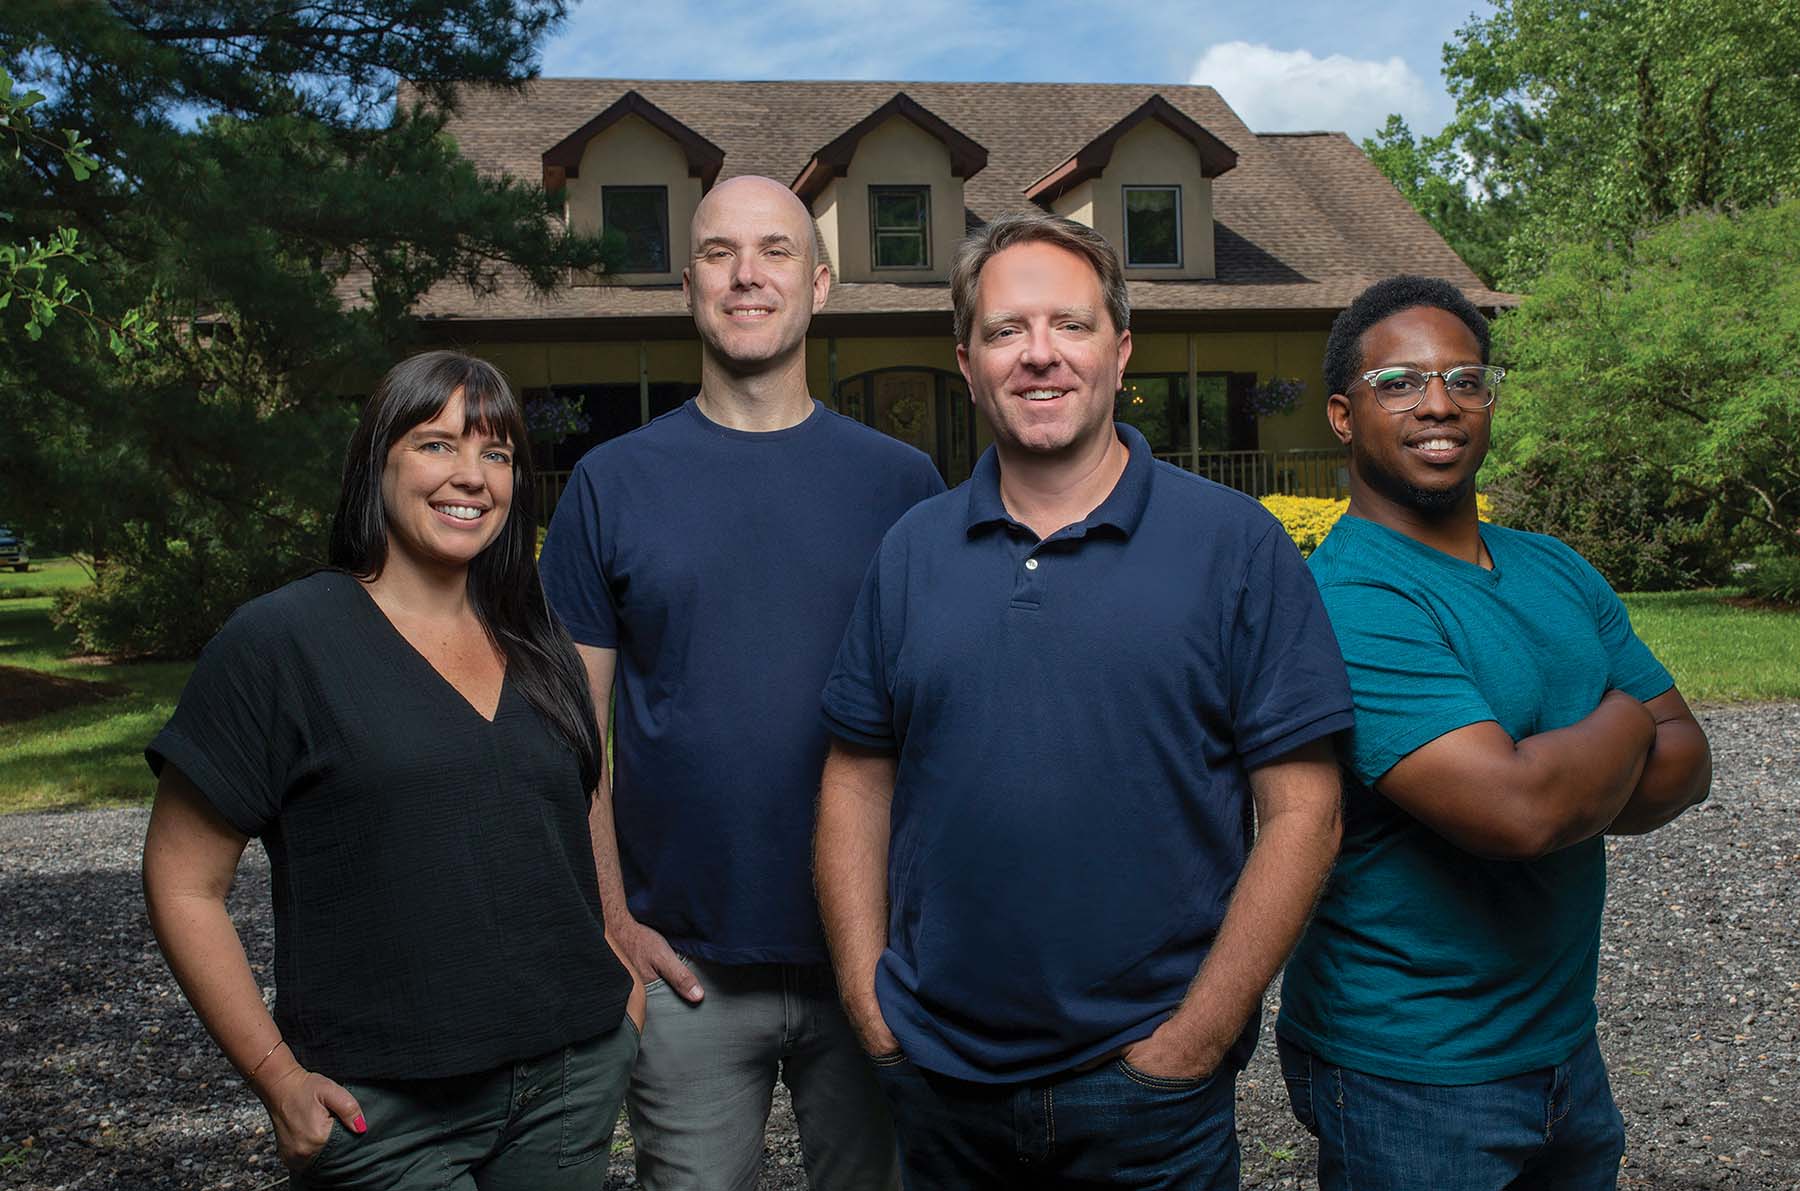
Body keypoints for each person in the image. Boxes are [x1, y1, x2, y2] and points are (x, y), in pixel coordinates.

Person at [813, 211, 1355, 1189]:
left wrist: (1197, 1037)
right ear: (968, 363)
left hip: (1149, 1095)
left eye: (1070, 323)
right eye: (1005, 330)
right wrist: (868, 1003)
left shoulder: (1234, 545)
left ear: (1121, 349)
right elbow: (856, 779)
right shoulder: (911, 552)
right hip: (941, 1082)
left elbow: (1304, 811)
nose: (1040, 354)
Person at [142, 351, 642, 1190]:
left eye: (496, 452)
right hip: (384, 1116)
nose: (472, 475)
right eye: (437, 443)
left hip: (566, 1084)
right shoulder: (280, 643)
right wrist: (275, 1075)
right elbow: (182, 880)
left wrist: (617, 981)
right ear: (378, 460)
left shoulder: (538, 640)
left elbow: (572, 808)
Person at [537, 175, 944, 1191]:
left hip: (874, 959)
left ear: (820, 285)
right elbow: (568, 733)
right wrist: (612, 921)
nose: (747, 275)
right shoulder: (611, 484)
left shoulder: (904, 486)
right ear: (688, 287)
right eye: (720, 253)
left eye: (774, 251)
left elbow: (949, 726)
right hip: (686, 970)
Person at [1276, 275, 1713, 1191]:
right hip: (1411, 1071)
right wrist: (1626, 715)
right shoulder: (1349, 600)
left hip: (1565, 1045)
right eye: (1400, 381)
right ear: (1344, 416)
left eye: (1465, 379)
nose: (1439, 403)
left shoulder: (1554, 566)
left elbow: (1689, 763)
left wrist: (1559, 781)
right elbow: (1516, 814)